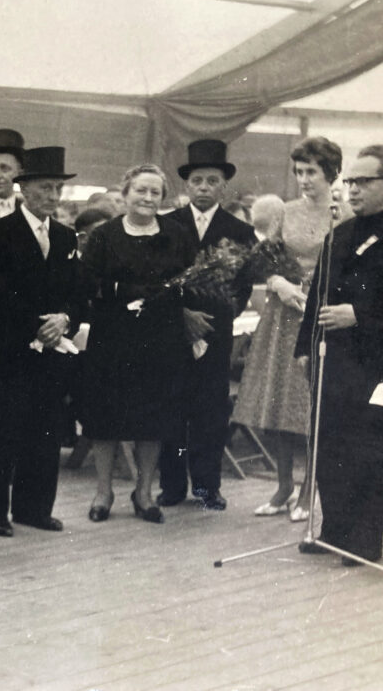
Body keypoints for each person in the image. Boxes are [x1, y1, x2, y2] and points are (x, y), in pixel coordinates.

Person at [296, 144, 383, 565]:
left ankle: (363, 539)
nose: (352, 189)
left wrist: (361, 315)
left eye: (363, 181)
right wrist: (304, 347)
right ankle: (333, 529)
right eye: (350, 182)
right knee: (329, 444)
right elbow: (317, 295)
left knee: (368, 448)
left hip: (379, 360)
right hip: (331, 357)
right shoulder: (341, 233)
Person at [233, 137, 351, 521]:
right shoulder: (285, 211)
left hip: (321, 317)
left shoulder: (345, 214)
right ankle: (283, 486)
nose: (303, 179)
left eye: (311, 171)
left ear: (331, 173)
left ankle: (308, 489)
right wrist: (277, 282)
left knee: (311, 407)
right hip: (283, 316)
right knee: (279, 403)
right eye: (299, 172)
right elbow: (262, 260)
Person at [76, 164, 195, 525]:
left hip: (159, 338)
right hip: (113, 337)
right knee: (106, 416)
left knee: (152, 417)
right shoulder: (104, 235)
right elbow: (86, 282)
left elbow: (189, 279)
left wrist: (168, 296)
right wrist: (125, 291)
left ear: (163, 198)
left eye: (155, 192)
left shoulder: (176, 234)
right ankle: (103, 492)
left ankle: (143, 493)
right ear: (126, 193)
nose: (147, 198)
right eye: (141, 190)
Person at [0, 147, 81, 536]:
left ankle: (33, 508)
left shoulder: (66, 236)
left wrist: (65, 319)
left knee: (45, 429)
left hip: (52, 350)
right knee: (2, 429)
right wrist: (34, 327)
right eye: (45, 188)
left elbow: (78, 291)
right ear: (24, 189)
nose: (53, 196)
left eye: (58, 189)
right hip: (8, 350)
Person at [157, 139, 256, 511]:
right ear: (186, 184)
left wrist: (216, 316)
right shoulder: (167, 224)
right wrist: (180, 315)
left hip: (215, 332)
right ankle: (171, 485)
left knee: (210, 410)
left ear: (223, 187)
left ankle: (207, 486)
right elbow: (158, 278)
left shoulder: (239, 230)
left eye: (212, 181)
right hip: (172, 330)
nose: (203, 187)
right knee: (171, 406)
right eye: (197, 180)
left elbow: (243, 285)